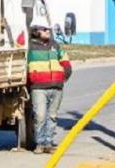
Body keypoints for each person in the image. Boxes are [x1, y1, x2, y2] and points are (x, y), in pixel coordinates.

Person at [27, 18, 72, 154]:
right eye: (45, 29)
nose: (48, 31)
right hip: (39, 87)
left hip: (56, 87)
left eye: (48, 29)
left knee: (52, 116)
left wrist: (64, 75)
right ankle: (40, 143)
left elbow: (65, 60)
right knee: (40, 116)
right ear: (36, 31)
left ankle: (49, 142)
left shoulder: (55, 45)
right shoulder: (30, 47)